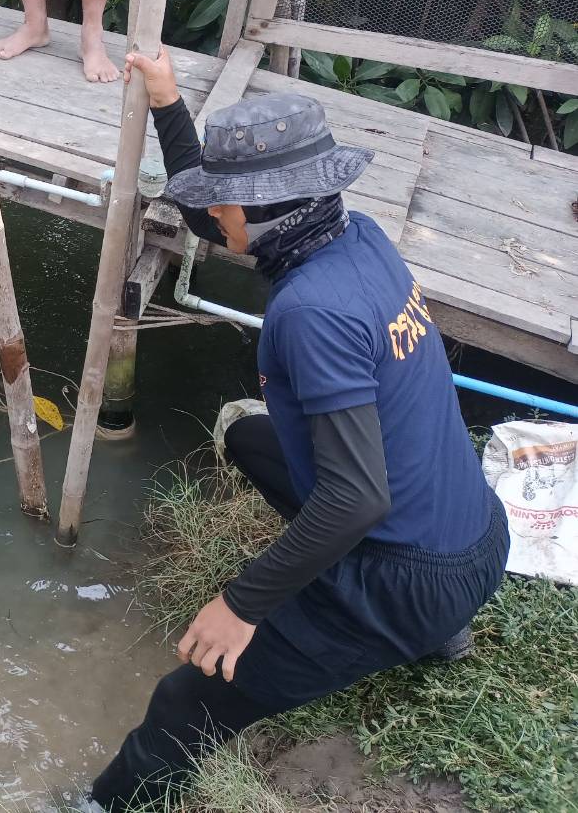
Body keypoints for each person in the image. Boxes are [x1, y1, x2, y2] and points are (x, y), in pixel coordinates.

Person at [83, 50, 510, 811]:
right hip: (478, 537)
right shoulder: (359, 238)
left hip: (404, 584)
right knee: (250, 438)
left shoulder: (308, 313)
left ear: (259, 214)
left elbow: (354, 501)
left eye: (222, 206)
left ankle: (103, 805)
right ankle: (441, 630)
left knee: (186, 703)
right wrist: (166, 103)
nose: (210, 218)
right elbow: (205, 208)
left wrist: (240, 604)